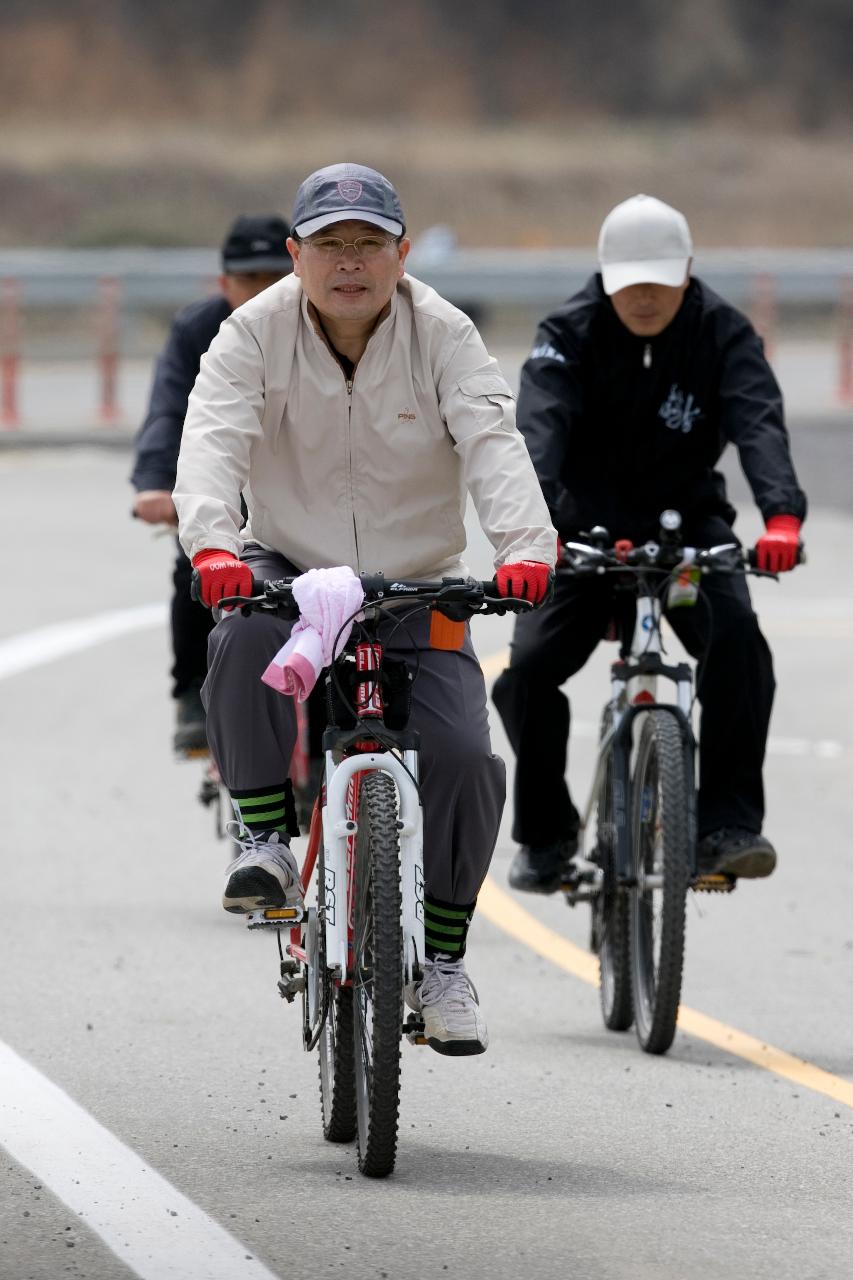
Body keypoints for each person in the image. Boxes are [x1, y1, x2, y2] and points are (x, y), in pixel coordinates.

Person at [172, 163, 556, 1056]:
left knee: (465, 753)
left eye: (369, 244)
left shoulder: (445, 333)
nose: (351, 263)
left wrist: (526, 550)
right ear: (296, 254)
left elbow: (493, 441)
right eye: (331, 245)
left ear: (402, 253)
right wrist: (215, 547)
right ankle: (265, 834)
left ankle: (447, 967)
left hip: (416, 577)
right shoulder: (250, 334)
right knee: (238, 639)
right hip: (288, 565)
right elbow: (212, 439)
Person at [492, 193, 806, 893]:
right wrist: (527, 531)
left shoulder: (723, 333)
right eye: (628, 283)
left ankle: (723, 825)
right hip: (578, 532)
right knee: (528, 671)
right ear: (604, 275)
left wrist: (780, 517)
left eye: (658, 284)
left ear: (686, 273)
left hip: (686, 530)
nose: (642, 298)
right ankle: (545, 834)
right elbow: (537, 431)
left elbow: (758, 421)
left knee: (740, 648)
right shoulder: (565, 332)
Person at [131, 214, 292, 752]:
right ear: (224, 284)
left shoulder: (323, 323)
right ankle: (192, 693)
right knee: (194, 570)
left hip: (304, 490)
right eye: (249, 280)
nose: (263, 291)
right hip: (225, 485)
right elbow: (170, 410)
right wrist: (156, 483)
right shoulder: (199, 329)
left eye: (275, 276)